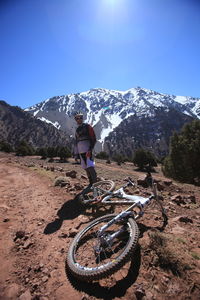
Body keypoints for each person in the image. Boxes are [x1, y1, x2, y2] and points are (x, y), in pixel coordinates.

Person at [74, 111, 97, 186]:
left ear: (82, 118)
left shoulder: (87, 126)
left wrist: (90, 149)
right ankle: (91, 184)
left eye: (80, 118)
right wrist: (76, 154)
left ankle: (95, 184)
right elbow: (76, 142)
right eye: (76, 118)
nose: (78, 120)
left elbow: (93, 138)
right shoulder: (77, 130)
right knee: (85, 167)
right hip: (81, 151)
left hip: (87, 149)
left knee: (90, 166)